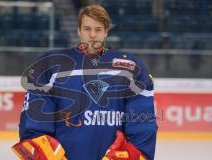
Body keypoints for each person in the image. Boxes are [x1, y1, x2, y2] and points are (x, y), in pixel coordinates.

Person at [12, 4, 157, 160]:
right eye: (87, 29)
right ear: (79, 30)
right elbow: (34, 125)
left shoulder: (131, 68)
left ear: (106, 32)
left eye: (98, 29)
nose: (92, 35)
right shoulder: (51, 65)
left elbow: (143, 126)